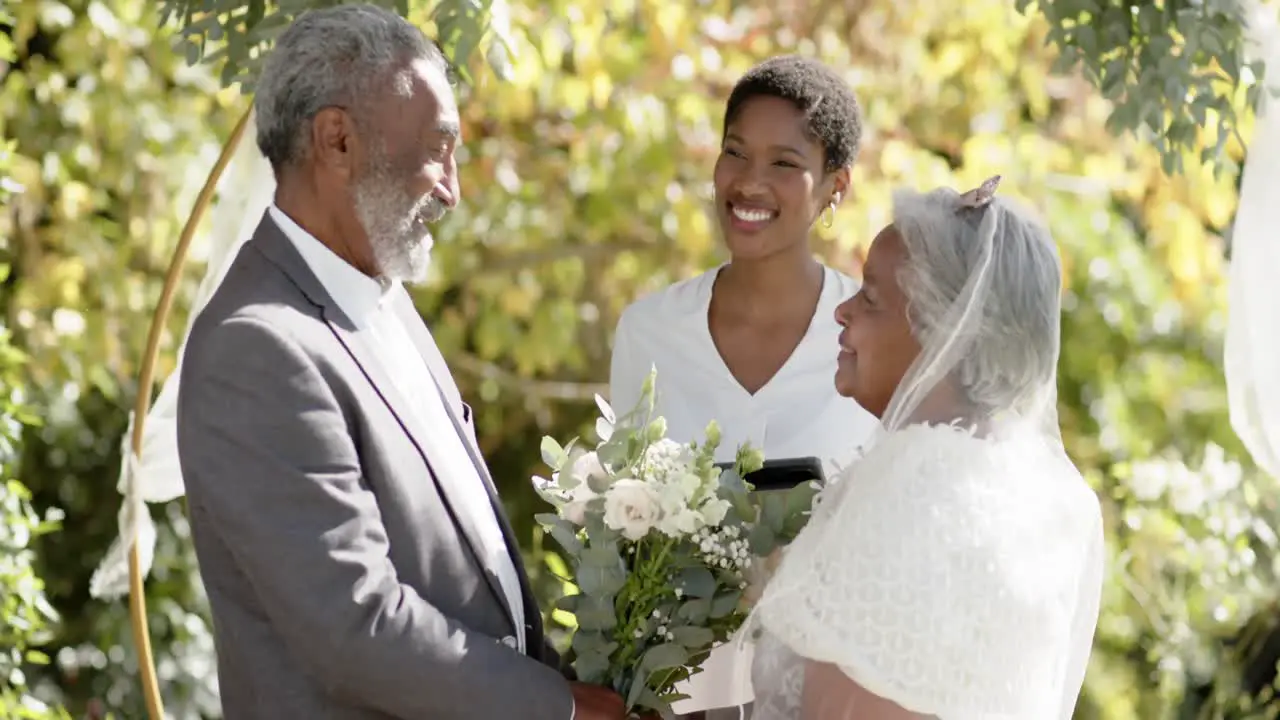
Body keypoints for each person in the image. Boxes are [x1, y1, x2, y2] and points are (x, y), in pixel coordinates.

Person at [175, 6, 624, 719]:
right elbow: (354, 623)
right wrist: (559, 709)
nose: (451, 187)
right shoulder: (258, 347)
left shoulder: (382, 299)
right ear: (338, 139)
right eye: (436, 149)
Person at [747, 177, 1106, 719]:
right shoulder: (1038, 493)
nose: (842, 314)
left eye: (869, 298)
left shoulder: (911, 488)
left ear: (945, 333)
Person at [609, 56, 879, 719]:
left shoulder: (873, 343)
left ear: (834, 188)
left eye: (785, 163)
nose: (750, 182)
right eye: (735, 152)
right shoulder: (648, 334)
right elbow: (623, 535)